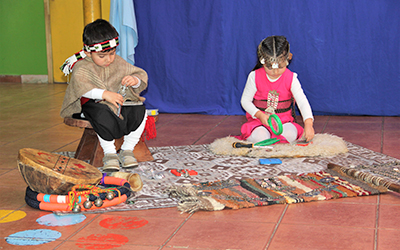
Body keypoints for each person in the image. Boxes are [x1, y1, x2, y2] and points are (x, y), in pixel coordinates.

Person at [60, 19, 148, 172]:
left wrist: (134, 80)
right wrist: (105, 94)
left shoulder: (118, 62)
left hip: (118, 102)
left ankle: (127, 149)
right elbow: (81, 86)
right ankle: (109, 154)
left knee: (140, 110)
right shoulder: (82, 66)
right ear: (88, 52)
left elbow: (139, 74)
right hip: (92, 105)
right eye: (102, 56)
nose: (109, 59)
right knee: (101, 113)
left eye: (112, 53)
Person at [237, 36, 314, 144]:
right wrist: (259, 114)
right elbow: (245, 101)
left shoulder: (291, 78)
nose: (275, 72)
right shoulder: (254, 76)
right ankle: (268, 141)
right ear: (262, 61)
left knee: (289, 134)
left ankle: (277, 142)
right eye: (270, 68)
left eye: (281, 67)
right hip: (259, 122)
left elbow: (302, 102)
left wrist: (308, 124)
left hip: (283, 123)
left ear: (288, 59)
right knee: (260, 137)